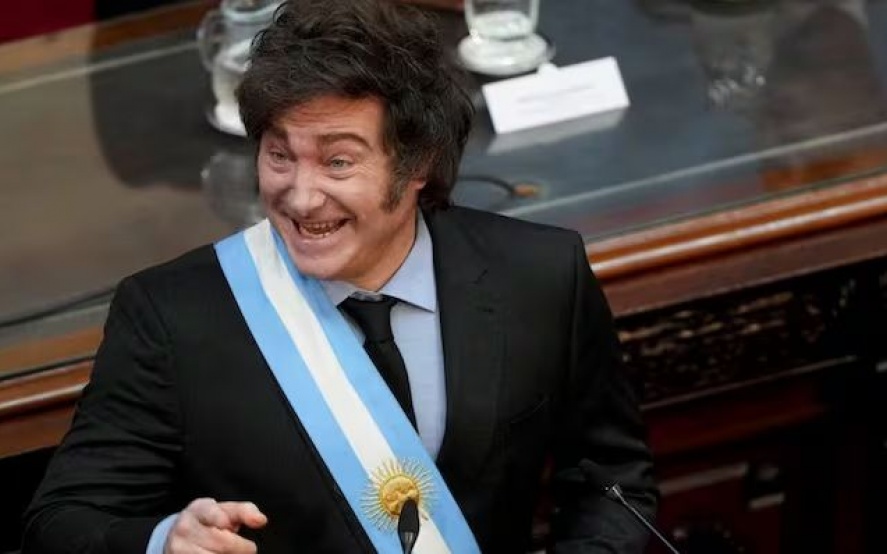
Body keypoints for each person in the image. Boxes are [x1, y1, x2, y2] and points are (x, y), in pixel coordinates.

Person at [23, 0, 658, 552]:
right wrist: (165, 540)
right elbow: (62, 521)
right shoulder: (169, 317)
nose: (300, 198)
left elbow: (612, 482)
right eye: (279, 155)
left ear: (418, 164)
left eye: (338, 162)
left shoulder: (540, 276)